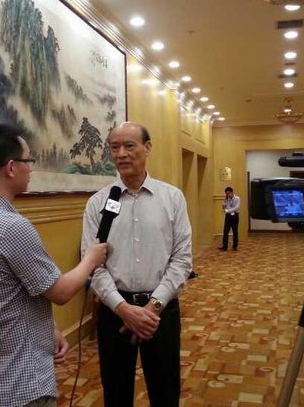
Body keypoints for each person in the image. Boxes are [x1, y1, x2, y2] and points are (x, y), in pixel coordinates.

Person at [0, 124, 108, 407]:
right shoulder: (11, 227)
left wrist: (48, 328)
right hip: (19, 382)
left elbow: (8, 291)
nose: (32, 168)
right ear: (11, 168)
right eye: (29, 160)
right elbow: (60, 292)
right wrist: (91, 259)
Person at [81, 122, 192, 407]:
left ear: (147, 148)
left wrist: (152, 308)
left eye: (129, 146)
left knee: (165, 392)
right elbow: (93, 264)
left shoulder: (172, 198)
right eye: (114, 147)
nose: (121, 154)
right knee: (116, 393)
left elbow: (182, 259)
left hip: (161, 312)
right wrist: (123, 309)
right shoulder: (97, 203)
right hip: (114, 313)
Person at [219, 186, 240, 250]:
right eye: (226, 194)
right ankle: (225, 246)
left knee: (235, 231)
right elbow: (224, 207)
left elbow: (236, 208)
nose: (227, 195)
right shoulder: (226, 199)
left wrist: (228, 211)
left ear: (232, 192)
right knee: (225, 231)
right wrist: (224, 203)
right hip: (228, 216)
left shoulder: (237, 198)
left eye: (228, 193)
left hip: (235, 216)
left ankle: (235, 246)